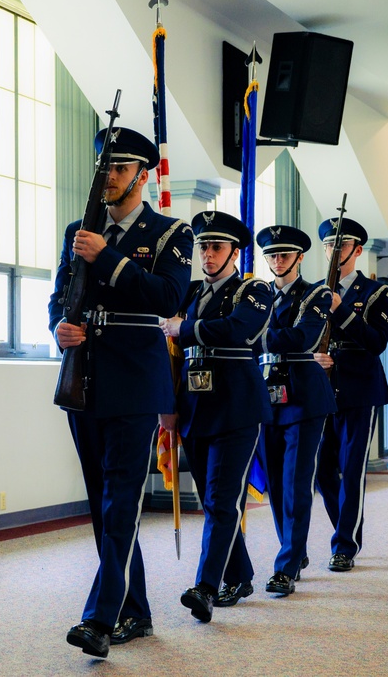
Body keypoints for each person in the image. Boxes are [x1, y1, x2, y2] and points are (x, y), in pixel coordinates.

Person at [48, 126, 193, 658]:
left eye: (118, 168)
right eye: (103, 168)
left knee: (122, 501)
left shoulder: (171, 233)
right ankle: (136, 610)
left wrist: (109, 257)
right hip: (83, 380)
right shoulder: (77, 230)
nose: (106, 177)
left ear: (141, 174)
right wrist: (58, 328)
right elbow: (59, 295)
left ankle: (100, 618)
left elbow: (170, 298)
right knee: (100, 503)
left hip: (135, 383)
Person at [159, 211, 272, 623]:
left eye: (216, 247)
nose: (207, 255)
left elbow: (239, 329)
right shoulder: (189, 293)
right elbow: (166, 342)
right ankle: (240, 575)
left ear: (234, 252)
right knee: (213, 501)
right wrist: (166, 405)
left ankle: (206, 587)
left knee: (224, 500)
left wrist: (184, 327)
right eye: (203, 247)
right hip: (194, 408)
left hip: (237, 409)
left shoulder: (253, 288)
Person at [254, 225, 336, 596]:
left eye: (284, 255)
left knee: (295, 483)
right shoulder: (256, 294)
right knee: (273, 482)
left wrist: (250, 332)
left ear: (300, 258)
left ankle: (286, 566)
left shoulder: (316, 294)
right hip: (266, 396)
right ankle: (294, 548)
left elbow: (303, 337)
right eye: (271, 255)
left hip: (304, 397)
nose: (277, 261)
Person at [313, 217, 388, 572]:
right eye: (329, 245)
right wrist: (313, 356)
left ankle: (344, 544)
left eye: (341, 246)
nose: (333, 252)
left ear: (357, 251)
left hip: (360, 388)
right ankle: (344, 530)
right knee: (322, 471)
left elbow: (376, 343)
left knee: (352, 468)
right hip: (320, 389)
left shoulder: (377, 293)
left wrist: (340, 308)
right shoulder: (312, 291)